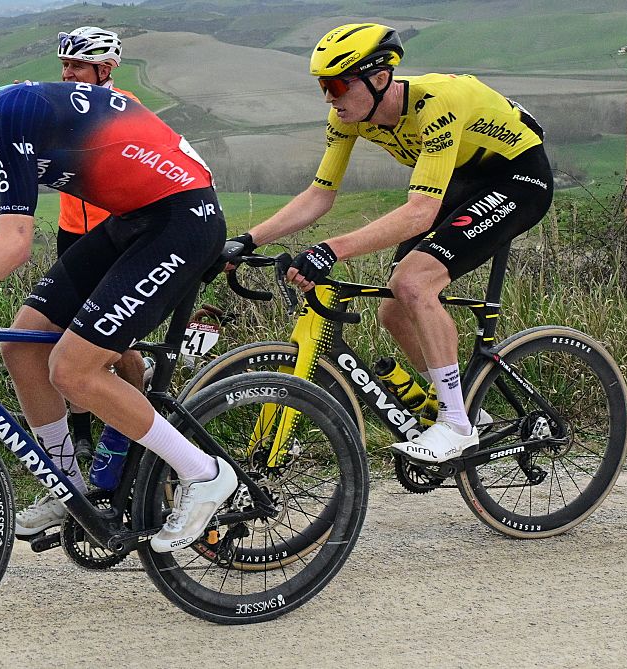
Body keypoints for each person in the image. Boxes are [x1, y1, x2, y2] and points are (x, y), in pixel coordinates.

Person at [0, 29, 235, 553]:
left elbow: (14, 245)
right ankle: (68, 487)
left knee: (73, 369)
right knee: (21, 345)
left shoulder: (13, 115)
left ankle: (204, 474)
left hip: (184, 219)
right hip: (135, 220)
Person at [225, 23, 553, 463]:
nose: (329, 98)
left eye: (337, 85)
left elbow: (419, 212)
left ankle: (456, 425)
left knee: (414, 283)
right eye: (323, 86)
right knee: (394, 310)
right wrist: (246, 239)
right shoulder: (349, 119)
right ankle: (467, 410)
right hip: (463, 178)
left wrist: (330, 249)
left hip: (517, 178)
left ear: (380, 78)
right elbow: (320, 195)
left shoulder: (436, 105)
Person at [53, 26, 148, 474]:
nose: (67, 74)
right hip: (71, 233)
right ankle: (82, 431)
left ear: (105, 69)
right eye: (64, 65)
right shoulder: (59, 104)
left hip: (116, 235)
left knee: (118, 345)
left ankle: (135, 426)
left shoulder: (128, 108)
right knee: (66, 335)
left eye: (77, 66)